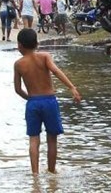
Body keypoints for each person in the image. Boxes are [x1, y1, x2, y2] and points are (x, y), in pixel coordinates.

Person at [13, 28, 81, 174]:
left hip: (33, 103)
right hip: (49, 101)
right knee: (52, 139)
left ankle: (35, 174)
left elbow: (18, 90)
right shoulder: (44, 57)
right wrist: (72, 88)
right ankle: (51, 171)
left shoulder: (18, 64)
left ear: (19, 45)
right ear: (37, 43)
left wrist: (30, 99)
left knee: (33, 140)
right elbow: (56, 71)